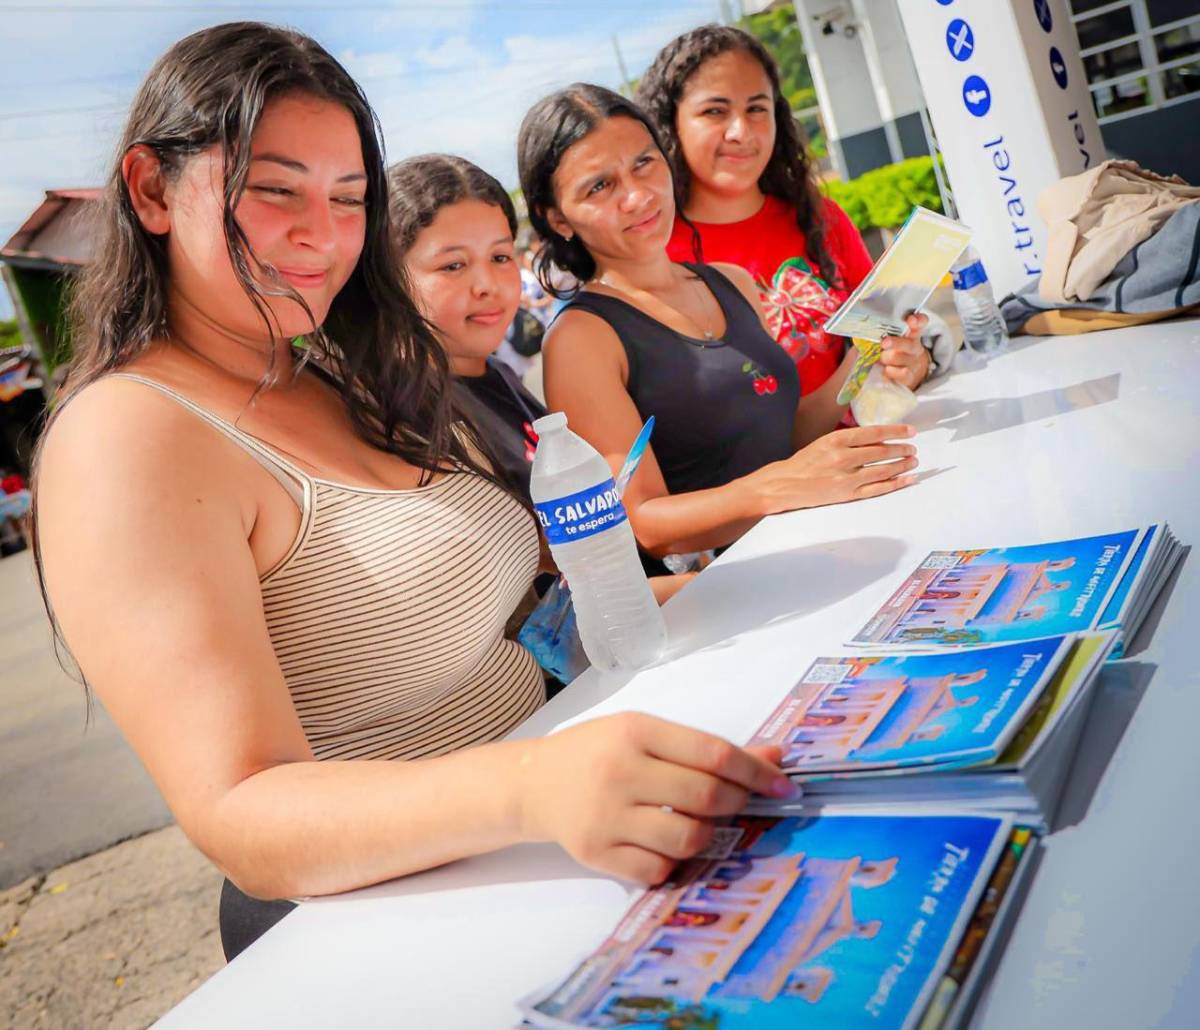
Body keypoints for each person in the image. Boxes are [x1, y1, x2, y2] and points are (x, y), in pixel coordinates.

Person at [32, 24, 795, 961]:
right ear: (153, 189)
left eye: (350, 199)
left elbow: (528, 614)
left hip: (558, 856)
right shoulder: (129, 437)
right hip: (406, 935)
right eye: (276, 191)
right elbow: (239, 811)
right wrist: (531, 785)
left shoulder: (329, 375)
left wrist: (758, 580)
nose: (322, 234)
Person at [517, 83, 923, 560]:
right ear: (559, 219)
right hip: (730, 596)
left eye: (644, 163)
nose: (636, 196)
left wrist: (866, 360)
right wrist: (777, 488)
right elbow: (643, 522)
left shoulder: (730, 282)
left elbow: (781, 435)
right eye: (599, 186)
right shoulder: (581, 338)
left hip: (822, 547)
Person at [637, 24, 953, 392]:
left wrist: (907, 365)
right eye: (714, 111)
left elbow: (880, 350)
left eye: (757, 108)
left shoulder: (821, 218)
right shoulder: (654, 254)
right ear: (670, 124)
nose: (741, 131)